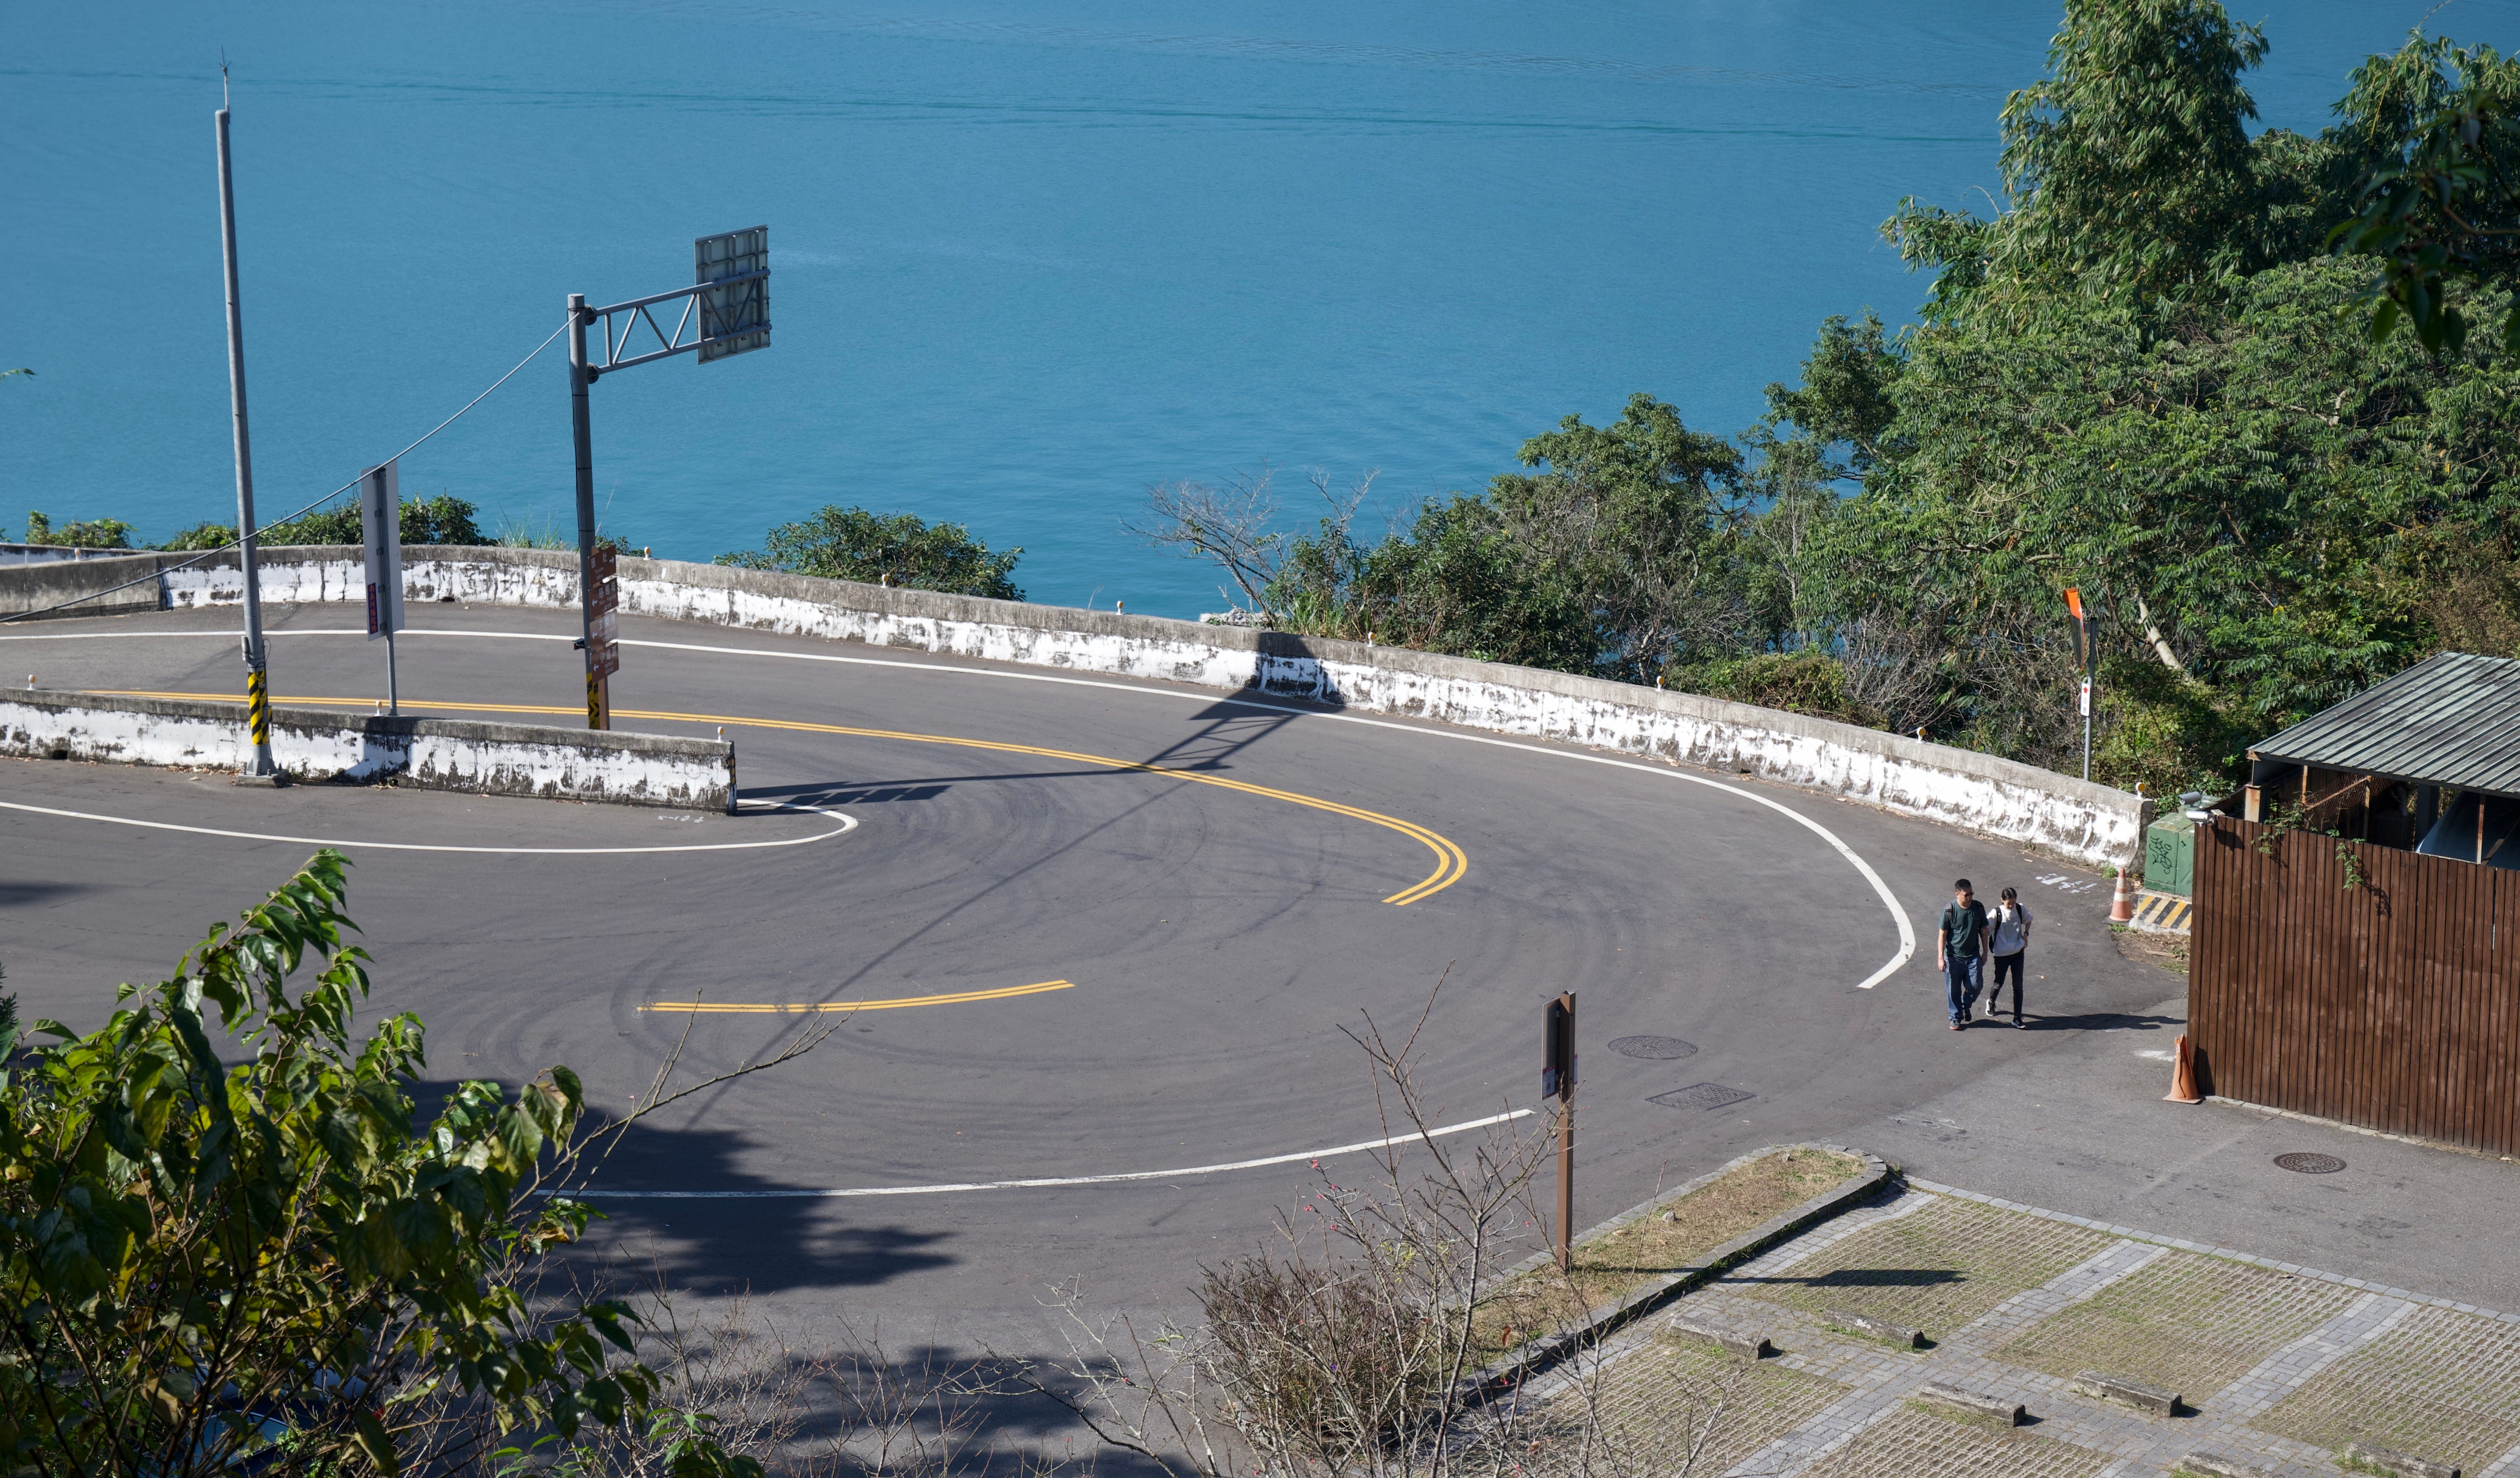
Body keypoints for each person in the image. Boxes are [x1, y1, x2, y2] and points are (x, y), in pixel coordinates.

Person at [1937, 879, 1991, 1030]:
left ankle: (1965, 1005)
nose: (1970, 897)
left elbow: (1984, 931)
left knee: (1976, 986)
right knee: (1953, 990)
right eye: (1966, 895)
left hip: (1973, 956)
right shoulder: (1949, 911)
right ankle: (1955, 1018)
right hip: (1953, 957)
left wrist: (1985, 953)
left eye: (1971, 894)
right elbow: (1942, 935)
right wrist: (1941, 958)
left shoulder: (1978, 908)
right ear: (1957, 895)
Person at [1984, 886, 2033, 1027]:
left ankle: (2017, 1018)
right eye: (2008, 903)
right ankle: (1991, 1002)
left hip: (2018, 953)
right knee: (1999, 983)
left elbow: (2029, 920)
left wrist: (2026, 935)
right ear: (2002, 900)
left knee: (2018, 986)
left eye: (2013, 902)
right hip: (2002, 955)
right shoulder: (1996, 913)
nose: (2011, 906)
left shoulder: (2020, 909)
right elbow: (1986, 930)